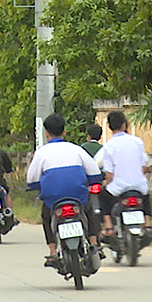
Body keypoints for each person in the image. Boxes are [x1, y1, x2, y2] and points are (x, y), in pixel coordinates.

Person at [27, 114, 103, 268]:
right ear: (65, 132)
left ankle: (53, 251)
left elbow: (32, 180)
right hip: (78, 197)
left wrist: (38, 186)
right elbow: (95, 173)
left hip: (53, 201)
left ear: (46, 133)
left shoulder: (41, 153)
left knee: (47, 217)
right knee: (89, 210)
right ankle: (94, 243)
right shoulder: (76, 149)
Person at [99, 110, 152, 236]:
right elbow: (145, 167)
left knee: (103, 196)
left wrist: (105, 183)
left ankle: (108, 227)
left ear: (109, 127)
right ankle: (147, 224)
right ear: (124, 125)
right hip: (139, 186)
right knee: (145, 194)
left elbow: (109, 175)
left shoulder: (108, 146)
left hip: (119, 189)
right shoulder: (137, 142)